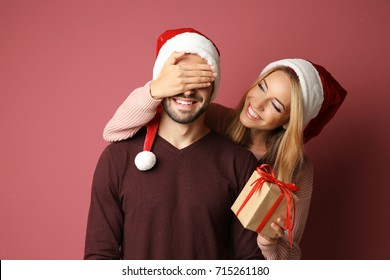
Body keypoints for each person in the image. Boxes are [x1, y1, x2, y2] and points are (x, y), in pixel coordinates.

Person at [102, 41, 347, 259]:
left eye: (275, 104)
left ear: (289, 121)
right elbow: (114, 131)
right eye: (262, 88)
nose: (257, 105)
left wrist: (269, 244)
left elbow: (290, 257)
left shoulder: (296, 167)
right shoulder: (213, 117)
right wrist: (155, 88)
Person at [84, 28, 264, 260]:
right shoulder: (117, 159)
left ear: (213, 88)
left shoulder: (240, 163)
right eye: (179, 78)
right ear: (161, 83)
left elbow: (251, 261)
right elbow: (99, 256)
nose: (188, 89)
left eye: (199, 79)